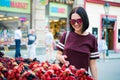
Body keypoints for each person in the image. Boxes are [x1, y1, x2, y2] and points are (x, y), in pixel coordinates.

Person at [56, 6, 99, 80]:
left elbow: (93, 65)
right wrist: (60, 58)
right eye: (73, 21)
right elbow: (58, 54)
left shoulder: (92, 39)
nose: (76, 24)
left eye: (79, 21)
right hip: (64, 77)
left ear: (84, 20)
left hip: (82, 78)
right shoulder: (66, 35)